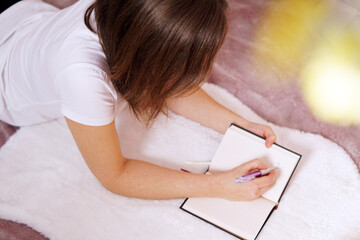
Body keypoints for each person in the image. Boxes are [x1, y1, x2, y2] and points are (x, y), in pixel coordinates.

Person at [0, 0, 277, 201]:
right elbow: (115, 175)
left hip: (24, 18)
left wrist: (238, 124)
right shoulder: (84, 79)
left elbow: (167, 83)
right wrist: (216, 186)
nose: (207, 65)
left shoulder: (124, 14)